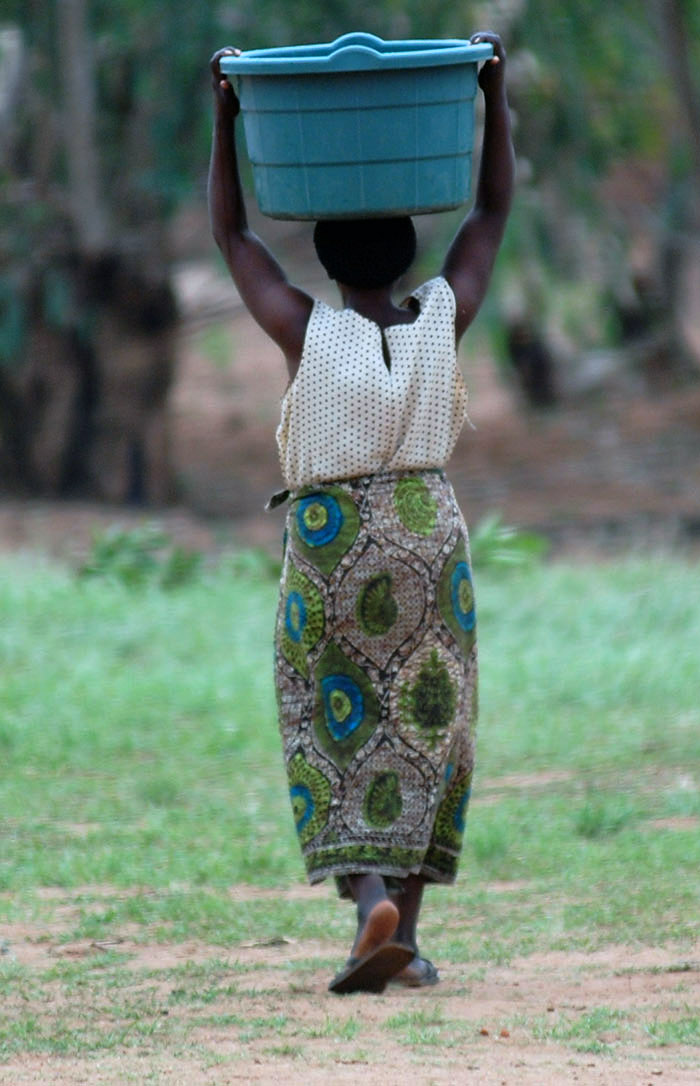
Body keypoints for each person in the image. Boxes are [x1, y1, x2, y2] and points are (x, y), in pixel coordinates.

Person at [208, 31, 514, 994]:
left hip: (336, 543)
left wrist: (226, 121)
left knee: (326, 719)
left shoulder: (306, 329)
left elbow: (232, 239)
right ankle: (402, 938)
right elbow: (494, 208)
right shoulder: (440, 320)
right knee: (429, 723)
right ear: (412, 253)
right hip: (429, 535)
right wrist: (488, 93)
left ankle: (370, 900)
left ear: (327, 256)